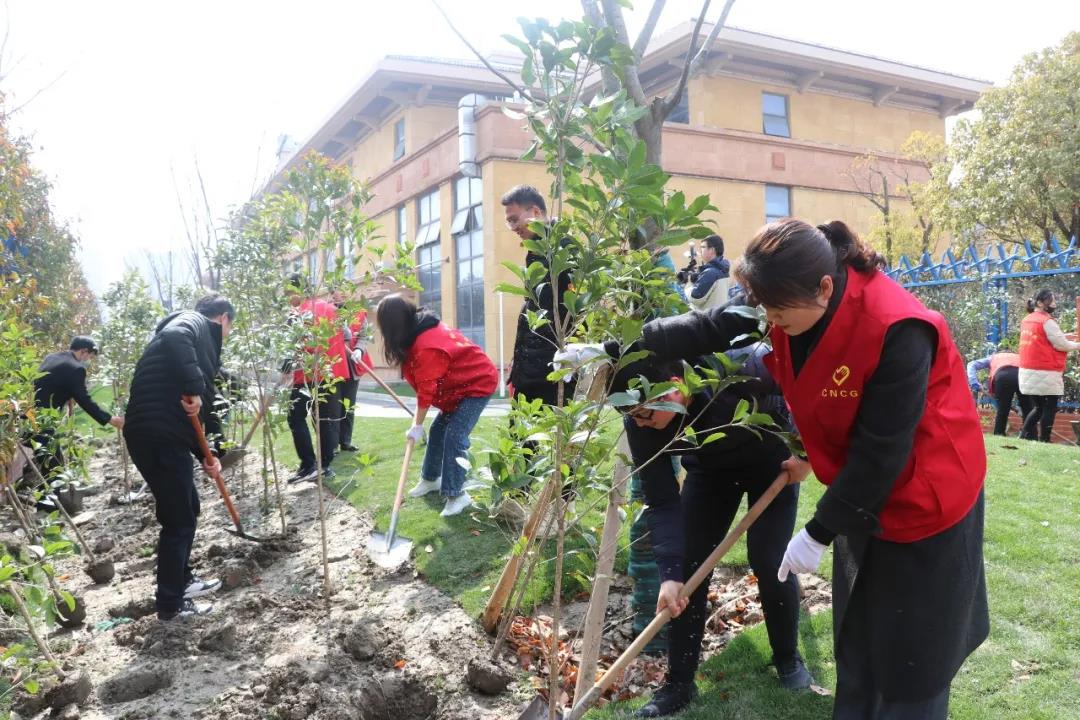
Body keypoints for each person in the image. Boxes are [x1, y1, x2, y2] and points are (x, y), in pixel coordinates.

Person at [557, 219, 988, 720]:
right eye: (764, 313)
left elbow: (882, 451)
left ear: (825, 288)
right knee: (862, 640)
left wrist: (818, 529)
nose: (769, 326)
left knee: (913, 656)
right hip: (858, 494)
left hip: (926, 498)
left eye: (777, 315)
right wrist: (617, 350)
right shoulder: (786, 302)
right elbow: (707, 326)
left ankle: (877, 695)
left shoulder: (899, 330)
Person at [614, 346, 813, 718]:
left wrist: (804, 449)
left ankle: (787, 658)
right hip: (710, 471)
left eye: (644, 414)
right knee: (687, 565)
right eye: (632, 417)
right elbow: (661, 501)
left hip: (773, 460)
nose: (639, 424)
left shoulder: (737, 369)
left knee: (770, 559)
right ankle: (679, 683)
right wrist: (670, 575)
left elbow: (804, 377)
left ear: (675, 388)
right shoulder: (639, 419)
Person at [123, 294, 234, 621]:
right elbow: (177, 344)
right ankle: (170, 605)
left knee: (189, 507)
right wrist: (194, 385)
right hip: (159, 436)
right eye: (229, 329)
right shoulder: (191, 322)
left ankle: (183, 580)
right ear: (223, 318)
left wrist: (208, 454)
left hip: (157, 434)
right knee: (179, 520)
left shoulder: (198, 347)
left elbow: (202, 409)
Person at [375, 294, 497, 517]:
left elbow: (427, 390)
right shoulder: (417, 330)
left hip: (477, 384)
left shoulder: (426, 344)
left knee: (455, 436)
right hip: (458, 386)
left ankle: (457, 495)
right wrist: (419, 425)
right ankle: (431, 479)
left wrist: (416, 425)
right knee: (438, 430)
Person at [502, 184, 573, 405]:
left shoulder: (564, 248)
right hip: (530, 369)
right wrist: (518, 361)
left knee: (547, 437)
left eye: (514, 219)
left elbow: (577, 308)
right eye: (509, 222)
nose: (513, 227)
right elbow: (531, 309)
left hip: (552, 369)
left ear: (535, 212)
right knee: (523, 436)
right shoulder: (535, 252)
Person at [284, 274, 348, 482]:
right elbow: (347, 335)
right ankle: (323, 466)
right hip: (332, 372)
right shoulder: (332, 310)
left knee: (296, 417)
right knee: (326, 420)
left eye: (288, 294)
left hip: (307, 374)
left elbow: (291, 346)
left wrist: (285, 363)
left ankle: (309, 464)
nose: (287, 299)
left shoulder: (296, 315)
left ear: (297, 292)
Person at [31, 336, 124, 478]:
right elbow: (84, 400)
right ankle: (47, 500)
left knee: (50, 462)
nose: (87, 360)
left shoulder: (51, 358)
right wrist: (110, 419)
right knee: (53, 468)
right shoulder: (76, 368)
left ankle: (49, 497)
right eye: (89, 357)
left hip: (28, 413)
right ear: (83, 351)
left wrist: (67, 393)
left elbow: (47, 382)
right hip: (43, 421)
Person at [1018, 289, 1080, 442]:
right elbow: (1061, 345)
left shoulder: (1027, 319)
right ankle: (1044, 439)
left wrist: (1065, 338)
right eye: (1051, 301)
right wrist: (1077, 345)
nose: (1054, 304)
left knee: (1038, 408)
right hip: (1046, 371)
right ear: (1040, 303)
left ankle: (1023, 435)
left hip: (1027, 370)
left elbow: (1042, 339)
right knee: (1050, 407)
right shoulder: (1047, 321)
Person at [332, 289, 372, 453]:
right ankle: (332, 445)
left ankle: (345, 441)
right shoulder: (326, 312)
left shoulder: (359, 314)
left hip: (352, 365)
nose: (339, 295)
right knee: (333, 407)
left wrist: (359, 350)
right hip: (333, 368)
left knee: (349, 406)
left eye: (342, 291)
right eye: (335, 292)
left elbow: (364, 336)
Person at [966, 349, 1032, 436]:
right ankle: (1030, 435)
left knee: (1003, 410)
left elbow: (971, 364)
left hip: (1003, 375)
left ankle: (999, 434)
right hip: (1023, 375)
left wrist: (974, 382)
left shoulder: (994, 357)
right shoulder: (1019, 357)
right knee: (1028, 409)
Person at [684, 234, 730, 310]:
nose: (700, 250)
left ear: (712, 250)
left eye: (703, 247)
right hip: (717, 317)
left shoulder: (710, 273)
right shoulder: (723, 269)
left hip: (705, 319)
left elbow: (695, 298)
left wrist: (689, 283)